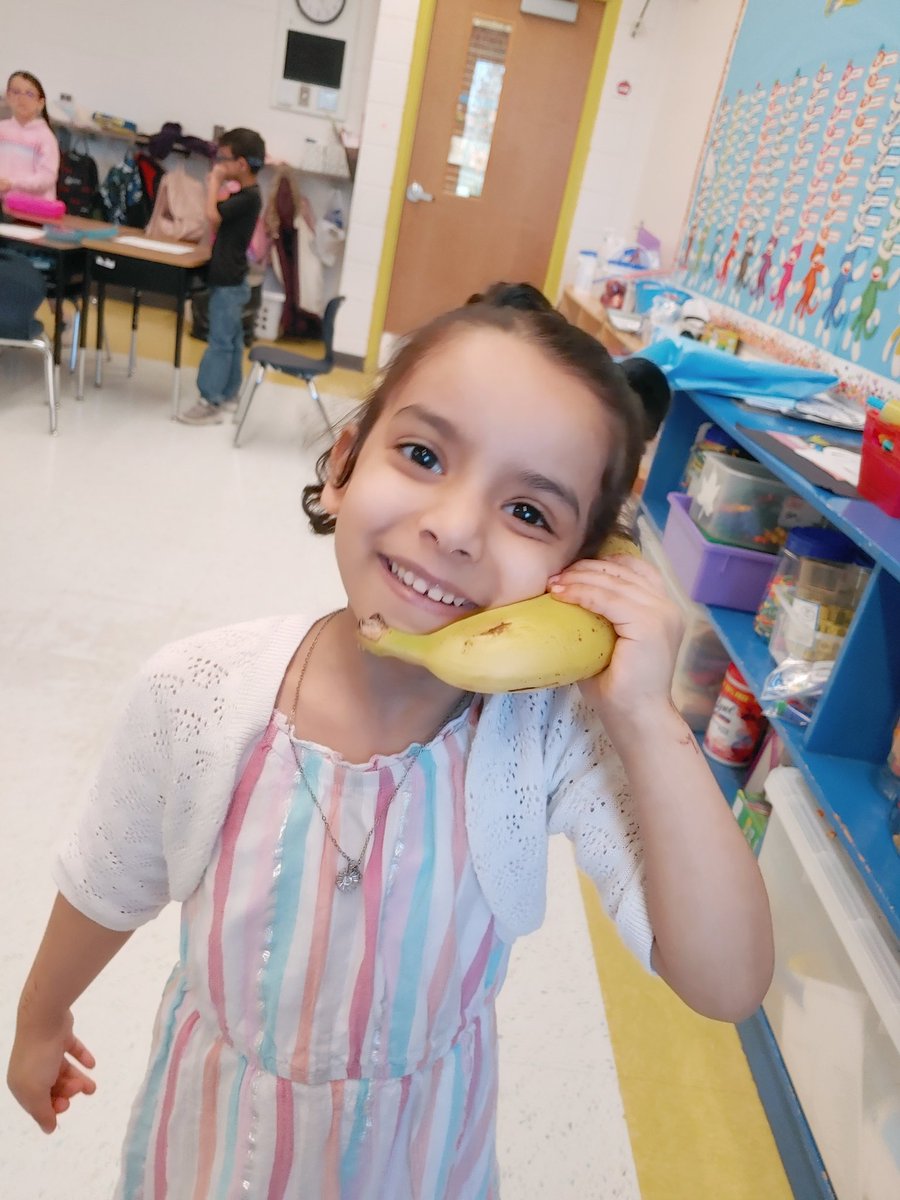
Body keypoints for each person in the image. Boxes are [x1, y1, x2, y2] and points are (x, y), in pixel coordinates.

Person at [7, 298, 774, 1197]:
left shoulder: (549, 739)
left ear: (578, 575)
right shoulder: (202, 693)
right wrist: (39, 1015)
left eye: (528, 511)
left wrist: (648, 719)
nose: (455, 527)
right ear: (342, 464)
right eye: (422, 456)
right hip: (215, 1146)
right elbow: (109, 876)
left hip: (418, 1160)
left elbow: (727, 984)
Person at [178, 127, 265, 425]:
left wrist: (213, 183)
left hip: (229, 280)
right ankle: (228, 393)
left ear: (241, 164)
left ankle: (210, 399)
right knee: (231, 339)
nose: (218, 164)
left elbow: (213, 217)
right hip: (231, 277)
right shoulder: (246, 196)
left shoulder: (250, 197)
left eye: (222, 159)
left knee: (220, 341)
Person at [0, 71, 60, 202]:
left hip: (31, 209)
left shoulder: (45, 137)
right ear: (8, 96)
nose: (22, 99)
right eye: (16, 92)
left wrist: (12, 183)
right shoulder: (2, 129)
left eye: (29, 94)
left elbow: (47, 177)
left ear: (40, 103)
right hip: (3, 204)